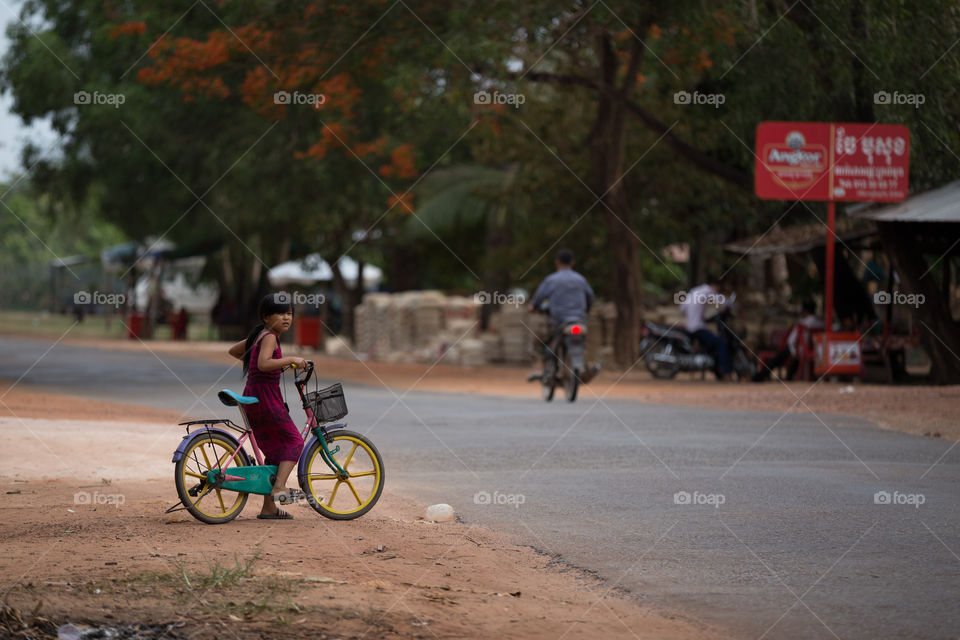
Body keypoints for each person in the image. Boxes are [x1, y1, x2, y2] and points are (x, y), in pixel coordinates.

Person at [228, 294, 307, 520]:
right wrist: (290, 359)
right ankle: (280, 488)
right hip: (265, 397)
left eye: (290, 313)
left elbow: (234, 351)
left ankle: (269, 508)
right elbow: (263, 364)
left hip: (253, 394)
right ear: (265, 317)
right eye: (281, 313)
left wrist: (268, 366)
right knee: (294, 440)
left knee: (273, 452)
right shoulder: (269, 336)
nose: (286, 318)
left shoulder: (258, 336)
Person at [527, 249, 599, 383]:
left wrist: (533, 307)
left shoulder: (551, 279)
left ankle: (543, 368)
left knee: (539, 340)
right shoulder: (581, 279)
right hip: (579, 320)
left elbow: (538, 299)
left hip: (558, 320)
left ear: (557, 263)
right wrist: (585, 311)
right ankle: (587, 364)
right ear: (573, 263)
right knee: (585, 340)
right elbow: (590, 298)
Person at [753, 300, 824, 382]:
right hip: (817, 351)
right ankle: (788, 377)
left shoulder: (802, 324)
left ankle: (759, 377)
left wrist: (795, 351)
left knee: (780, 356)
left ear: (804, 311)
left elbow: (791, 341)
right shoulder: (821, 323)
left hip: (800, 351)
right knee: (787, 356)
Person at [681, 277, 732, 380]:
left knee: (710, 342)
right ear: (715, 286)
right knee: (720, 343)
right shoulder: (708, 291)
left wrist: (697, 315)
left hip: (689, 327)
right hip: (697, 327)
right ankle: (726, 373)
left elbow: (682, 308)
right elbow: (722, 301)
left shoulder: (694, 290)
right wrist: (733, 305)